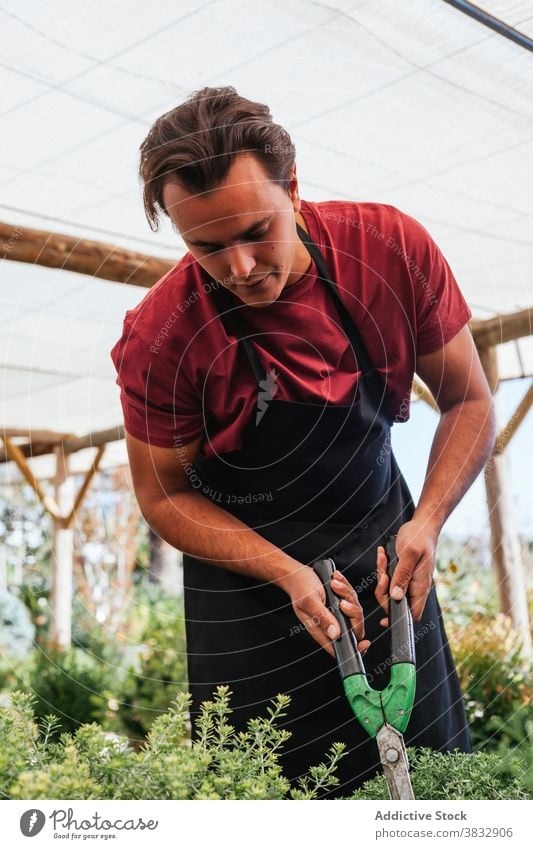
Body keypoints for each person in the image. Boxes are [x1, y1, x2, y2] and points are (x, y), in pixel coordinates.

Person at [110, 85, 495, 798]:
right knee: (267, 794)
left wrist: (430, 519)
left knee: (435, 788)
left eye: (258, 230)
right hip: (248, 589)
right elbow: (162, 494)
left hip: (388, 556)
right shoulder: (160, 337)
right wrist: (286, 572)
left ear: (292, 185)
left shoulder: (389, 249)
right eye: (207, 246)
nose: (241, 266)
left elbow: (468, 398)